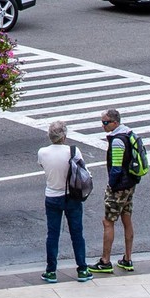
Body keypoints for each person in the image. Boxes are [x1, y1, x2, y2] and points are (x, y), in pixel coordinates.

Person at [38, 119, 92, 284]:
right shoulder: (73, 151)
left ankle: (51, 270)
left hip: (52, 196)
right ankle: (82, 268)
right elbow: (84, 172)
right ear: (64, 135)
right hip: (72, 196)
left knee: (52, 234)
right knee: (77, 233)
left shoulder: (42, 152)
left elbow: (43, 167)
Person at [93, 106, 144, 273]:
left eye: (105, 122)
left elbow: (116, 168)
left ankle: (105, 261)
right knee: (127, 218)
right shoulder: (129, 134)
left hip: (119, 186)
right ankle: (127, 259)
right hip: (130, 184)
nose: (103, 125)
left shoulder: (117, 141)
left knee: (108, 222)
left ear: (114, 123)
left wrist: (112, 186)